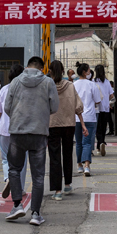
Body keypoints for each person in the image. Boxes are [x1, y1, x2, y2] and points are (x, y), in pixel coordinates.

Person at [3, 56, 58, 225]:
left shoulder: (15, 82)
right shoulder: (48, 82)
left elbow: (6, 107)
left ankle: (17, 205)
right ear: (42, 68)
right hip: (39, 133)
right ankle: (35, 214)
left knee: (14, 169)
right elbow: (54, 107)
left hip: (17, 132)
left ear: (27, 66)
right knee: (38, 175)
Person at [47, 60, 83, 202]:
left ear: (50, 71)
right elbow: (78, 106)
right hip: (69, 125)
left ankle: (57, 190)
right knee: (67, 154)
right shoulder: (70, 86)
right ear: (63, 71)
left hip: (52, 125)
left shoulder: (47, 86)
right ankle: (67, 184)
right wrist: (83, 124)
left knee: (55, 157)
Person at [0, 64, 26, 199]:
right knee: (22, 160)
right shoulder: (25, 90)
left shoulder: (3, 90)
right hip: (21, 129)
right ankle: (19, 187)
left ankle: (8, 178)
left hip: (4, 129)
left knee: (5, 159)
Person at [72, 64, 101, 176]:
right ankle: (87, 166)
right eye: (89, 71)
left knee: (79, 142)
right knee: (87, 142)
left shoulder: (73, 85)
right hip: (89, 117)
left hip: (76, 117)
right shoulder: (92, 85)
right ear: (84, 72)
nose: (90, 73)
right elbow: (98, 101)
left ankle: (79, 165)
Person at [94, 65, 114, 156]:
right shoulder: (107, 82)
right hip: (106, 108)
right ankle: (101, 142)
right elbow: (111, 95)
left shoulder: (93, 82)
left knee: (97, 128)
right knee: (103, 128)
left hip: (97, 108)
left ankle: (99, 144)